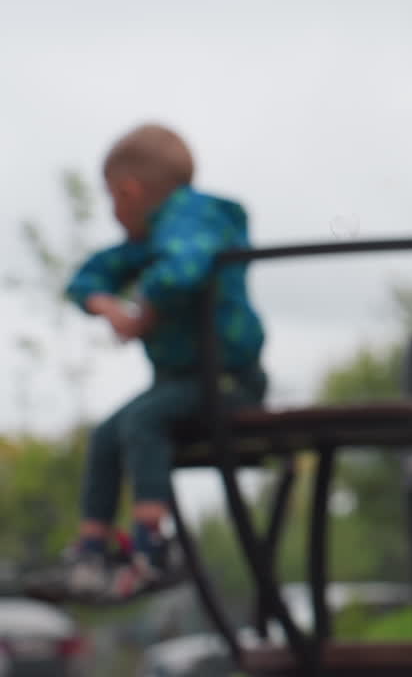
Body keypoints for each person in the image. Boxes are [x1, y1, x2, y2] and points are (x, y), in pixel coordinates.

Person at [24, 124, 268, 604]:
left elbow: (186, 268)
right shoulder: (149, 238)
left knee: (142, 420)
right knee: (107, 433)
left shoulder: (198, 220)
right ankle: (91, 552)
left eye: (112, 202)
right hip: (179, 384)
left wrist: (143, 313)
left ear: (128, 192)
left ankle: (152, 550)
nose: (114, 216)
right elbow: (90, 275)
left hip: (227, 381)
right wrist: (106, 304)